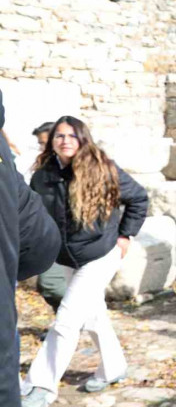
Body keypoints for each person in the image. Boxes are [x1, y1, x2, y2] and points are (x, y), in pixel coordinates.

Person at [22, 116, 149, 407]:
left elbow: (139, 198)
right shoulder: (42, 175)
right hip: (66, 256)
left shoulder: (103, 168)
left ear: (82, 139)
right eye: (59, 136)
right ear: (51, 141)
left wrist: (125, 236)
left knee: (66, 321)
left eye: (71, 136)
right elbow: (34, 214)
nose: (65, 140)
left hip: (100, 253)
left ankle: (41, 385)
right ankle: (114, 368)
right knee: (93, 316)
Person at [0, 90, 61, 407]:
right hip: (52, 253)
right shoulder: (37, 169)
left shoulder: (95, 165)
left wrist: (118, 238)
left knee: (76, 316)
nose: (56, 144)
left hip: (89, 251)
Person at [28, 122, 69, 314]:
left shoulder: (83, 169)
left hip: (80, 243)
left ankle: (74, 319)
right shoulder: (40, 174)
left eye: (45, 143)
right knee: (49, 285)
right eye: (40, 144)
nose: (42, 148)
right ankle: (67, 322)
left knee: (54, 285)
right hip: (50, 241)